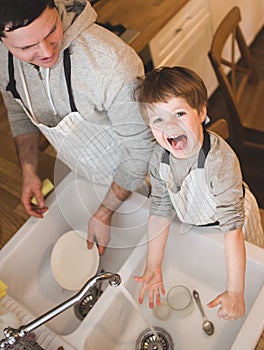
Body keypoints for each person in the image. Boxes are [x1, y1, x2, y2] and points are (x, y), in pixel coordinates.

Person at [0, 0, 155, 255]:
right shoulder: (4, 58)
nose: (47, 51)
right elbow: (18, 106)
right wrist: (29, 171)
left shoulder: (109, 63)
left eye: (51, 31)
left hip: (149, 182)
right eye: (27, 47)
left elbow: (142, 151)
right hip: (88, 177)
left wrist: (104, 212)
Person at [133, 66, 264, 320]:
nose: (169, 126)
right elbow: (160, 210)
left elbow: (232, 230)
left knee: (252, 275)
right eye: (158, 119)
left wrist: (235, 292)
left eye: (179, 113)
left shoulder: (219, 161)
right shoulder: (158, 158)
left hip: (232, 225)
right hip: (197, 221)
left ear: (202, 111)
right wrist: (153, 265)